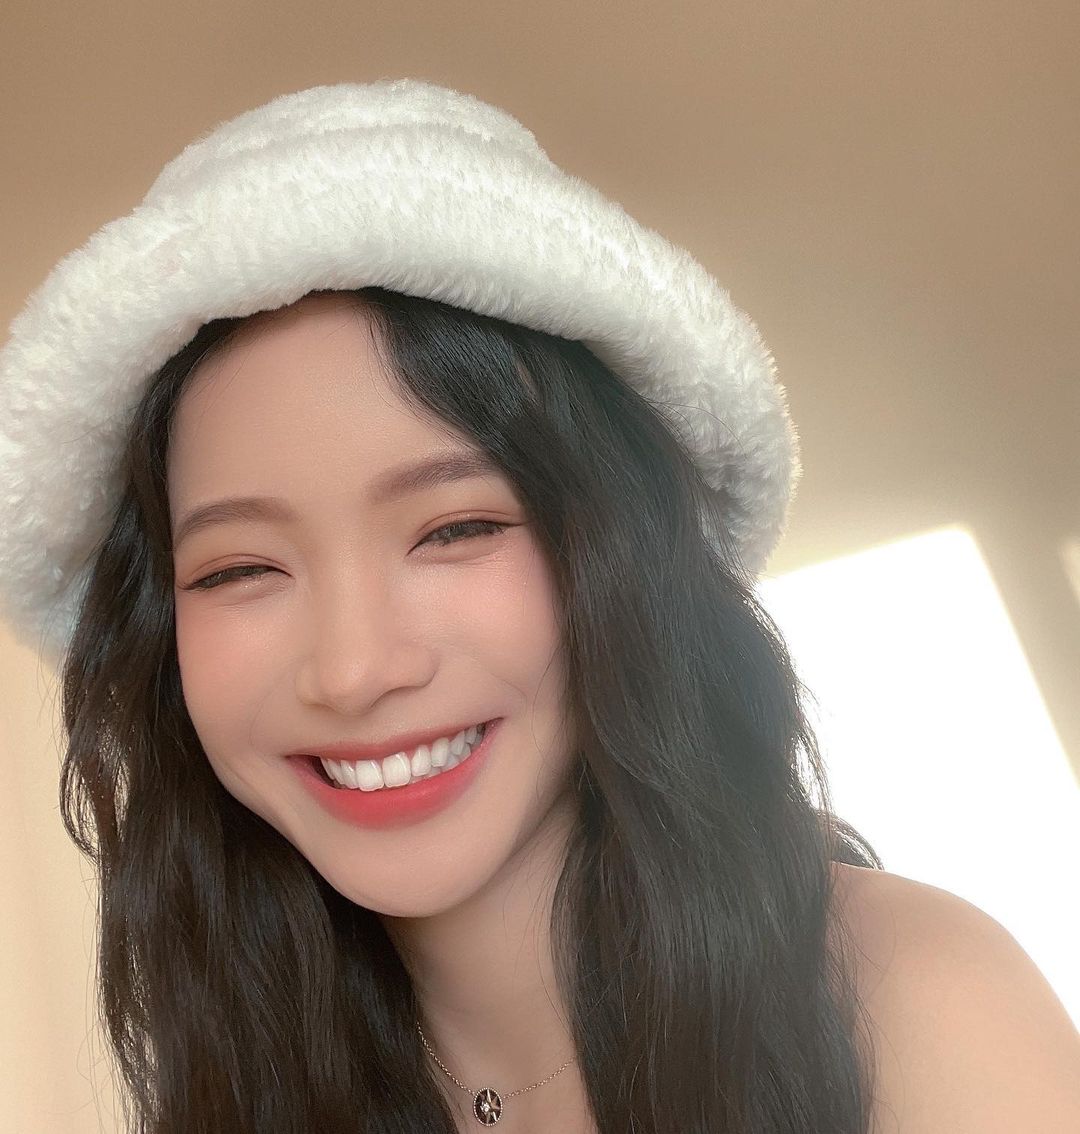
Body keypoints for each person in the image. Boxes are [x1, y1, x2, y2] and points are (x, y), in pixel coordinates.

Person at [1, 80, 1077, 1134]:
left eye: (454, 529)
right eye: (240, 570)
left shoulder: (912, 1004)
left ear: (618, 554)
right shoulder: (235, 1088)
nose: (354, 670)